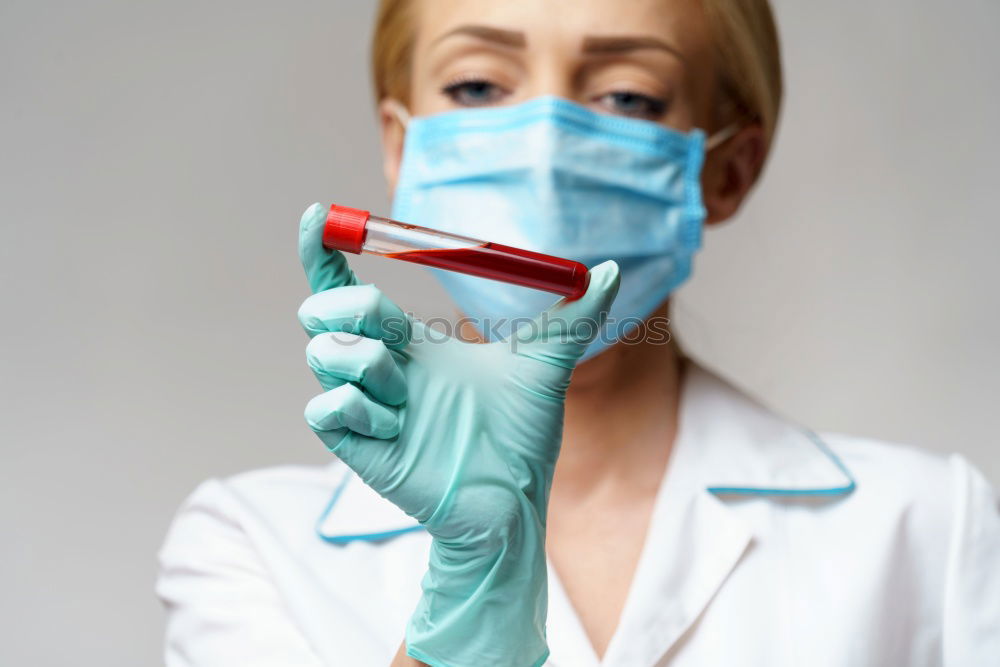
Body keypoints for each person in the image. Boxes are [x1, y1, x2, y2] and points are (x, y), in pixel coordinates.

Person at [156, 0, 1000, 665]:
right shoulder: (251, 547)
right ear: (400, 147)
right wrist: (469, 601)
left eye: (626, 95)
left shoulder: (929, 527)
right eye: (478, 86)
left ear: (727, 169)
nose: (543, 148)